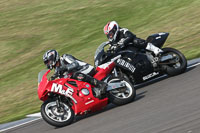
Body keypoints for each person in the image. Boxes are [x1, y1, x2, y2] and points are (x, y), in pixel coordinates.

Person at [43, 50, 107, 98]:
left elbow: (75, 64)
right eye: (47, 63)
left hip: (86, 68)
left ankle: (100, 84)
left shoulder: (64, 57)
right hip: (79, 76)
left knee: (76, 75)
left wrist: (64, 68)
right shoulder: (57, 69)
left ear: (53, 58)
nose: (48, 64)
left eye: (49, 61)